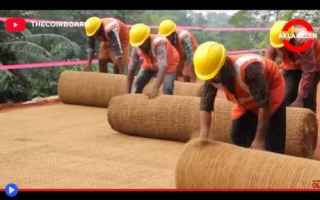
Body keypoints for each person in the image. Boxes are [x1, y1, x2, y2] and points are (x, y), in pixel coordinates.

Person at [195, 41, 286, 153]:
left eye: (213, 76)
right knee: (238, 136)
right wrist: (204, 137)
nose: (210, 80)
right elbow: (206, 105)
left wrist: (259, 140)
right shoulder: (211, 74)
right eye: (208, 77)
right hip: (246, 98)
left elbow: (264, 103)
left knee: (273, 147)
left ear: (223, 66)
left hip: (271, 91)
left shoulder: (249, 69)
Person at [266, 20, 320, 112]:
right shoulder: (277, 39)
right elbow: (268, 62)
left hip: (314, 64)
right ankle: (286, 122)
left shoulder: (304, 40)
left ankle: (309, 121)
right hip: (292, 65)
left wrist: (300, 99)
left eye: (282, 47)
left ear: (290, 39)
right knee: (286, 94)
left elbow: (308, 72)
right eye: (278, 47)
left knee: (307, 96)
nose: (280, 49)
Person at [127, 23, 180, 98]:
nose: (140, 46)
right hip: (150, 63)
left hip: (169, 62)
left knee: (167, 88)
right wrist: (128, 93)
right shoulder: (137, 46)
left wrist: (155, 88)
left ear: (147, 38)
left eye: (142, 44)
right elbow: (131, 69)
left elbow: (163, 66)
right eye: (138, 45)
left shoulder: (159, 43)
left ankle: (167, 106)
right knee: (137, 83)